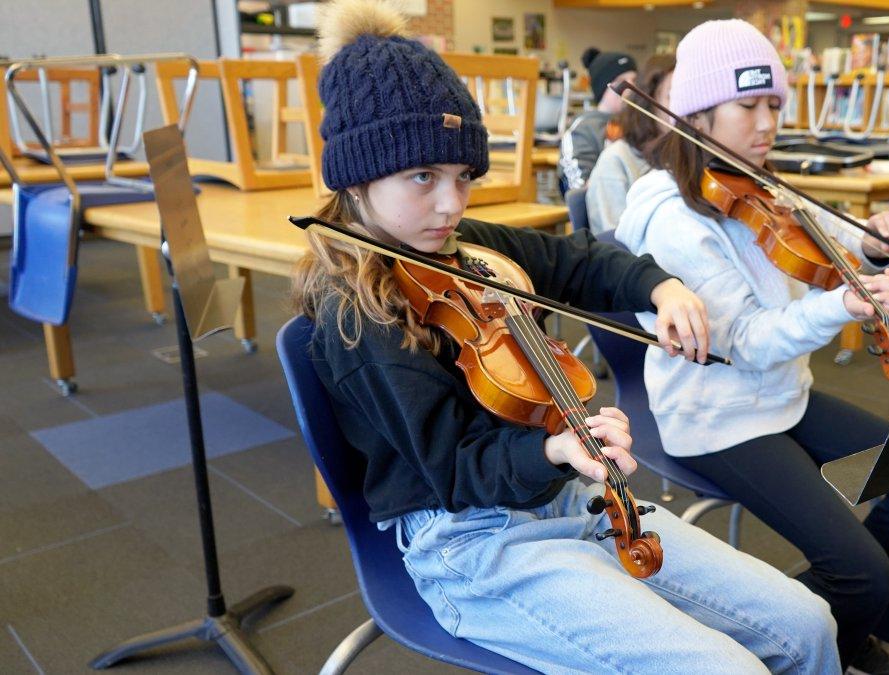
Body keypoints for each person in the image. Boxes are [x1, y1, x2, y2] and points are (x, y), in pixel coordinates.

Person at [293, 2, 841, 672]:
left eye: (463, 177)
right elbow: (454, 467)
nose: (452, 205)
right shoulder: (357, 318)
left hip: (570, 497)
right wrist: (552, 447)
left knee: (809, 624)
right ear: (356, 177)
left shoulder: (459, 249)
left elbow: (577, 259)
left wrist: (657, 287)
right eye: (422, 178)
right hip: (473, 542)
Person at [616, 19, 889, 675]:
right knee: (861, 571)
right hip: (716, 416)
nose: (767, 120)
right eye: (748, 104)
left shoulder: (757, 181)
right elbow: (745, 342)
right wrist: (838, 305)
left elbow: (821, 227)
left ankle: (843, 628)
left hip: (781, 395)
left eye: (774, 102)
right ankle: (796, 632)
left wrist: (871, 241)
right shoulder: (672, 217)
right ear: (697, 112)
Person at [585, 53, 675, 233]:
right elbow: (616, 245)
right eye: (673, 97)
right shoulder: (616, 161)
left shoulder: (685, 155)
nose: (685, 108)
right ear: (649, 100)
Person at [558, 47, 637, 193]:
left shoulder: (640, 123)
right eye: (622, 81)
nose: (631, 87)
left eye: (634, 80)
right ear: (604, 86)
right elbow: (579, 186)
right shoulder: (585, 128)